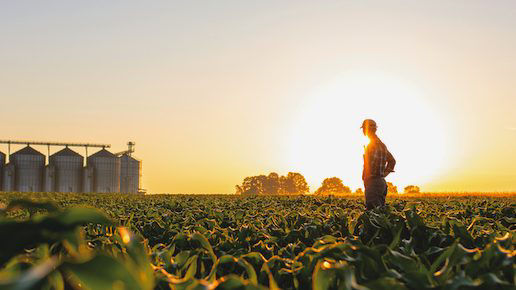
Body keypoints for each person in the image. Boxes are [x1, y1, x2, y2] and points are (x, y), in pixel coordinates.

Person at [361, 119, 396, 210]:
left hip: (374, 182)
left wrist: (375, 176)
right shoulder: (381, 145)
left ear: (365, 129)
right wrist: (383, 175)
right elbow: (392, 161)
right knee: (379, 213)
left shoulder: (372, 144)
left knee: (373, 213)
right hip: (379, 182)